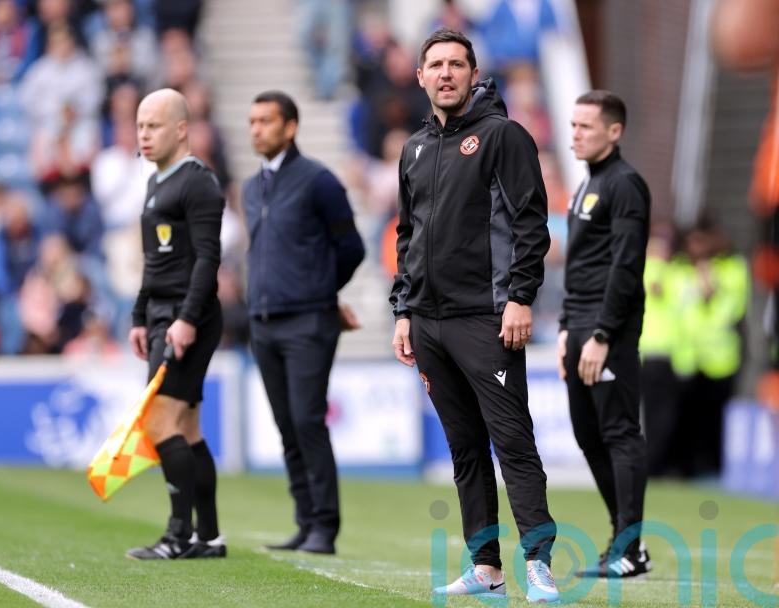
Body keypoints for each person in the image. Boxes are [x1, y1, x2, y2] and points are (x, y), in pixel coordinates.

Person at [390, 29, 559, 604]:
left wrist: (520, 296)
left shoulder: (502, 136)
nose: (445, 73)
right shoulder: (413, 149)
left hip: (487, 317)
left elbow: (531, 223)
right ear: (420, 76)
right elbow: (407, 235)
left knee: (512, 442)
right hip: (429, 322)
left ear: (472, 72)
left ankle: (539, 562)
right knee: (464, 448)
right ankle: (486, 566)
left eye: (456, 64)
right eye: (434, 65)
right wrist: (403, 311)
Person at [243, 91, 365, 555]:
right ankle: (304, 520)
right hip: (264, 323)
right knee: (285, 426)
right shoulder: (251, 188)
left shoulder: (319, 181)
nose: (256, 129)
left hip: (308, 323)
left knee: (307, 420)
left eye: (266, 121)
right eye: (252, 121)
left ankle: (325, 527)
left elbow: (351, 247)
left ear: (290, 127)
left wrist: (320, 291)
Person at [126, 88, 226, 560]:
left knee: (158, 421)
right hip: (163, 314)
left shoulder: (198, 182)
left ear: (181, 129)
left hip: (189, 316)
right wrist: (138, 315)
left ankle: (177, 535)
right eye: (140, 126)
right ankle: (208, 537)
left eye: (153, 125)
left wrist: (185, 319)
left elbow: (209, 258)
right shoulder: (155, 183)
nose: (143, 134)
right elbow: (154, 262)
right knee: (186, 430)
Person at [557, 90, 651, 578]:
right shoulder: (588, 183)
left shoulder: (625, 183)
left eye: (585, 127)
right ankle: (624, 538)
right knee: (587, 433)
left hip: (604, 328)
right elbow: (581, 265)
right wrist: (563, 330)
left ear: (614, 132)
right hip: (578, 325)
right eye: (573, 126)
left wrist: (601, 334)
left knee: (618, 431)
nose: (575, 134)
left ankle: (631, 548)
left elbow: (625, 265)